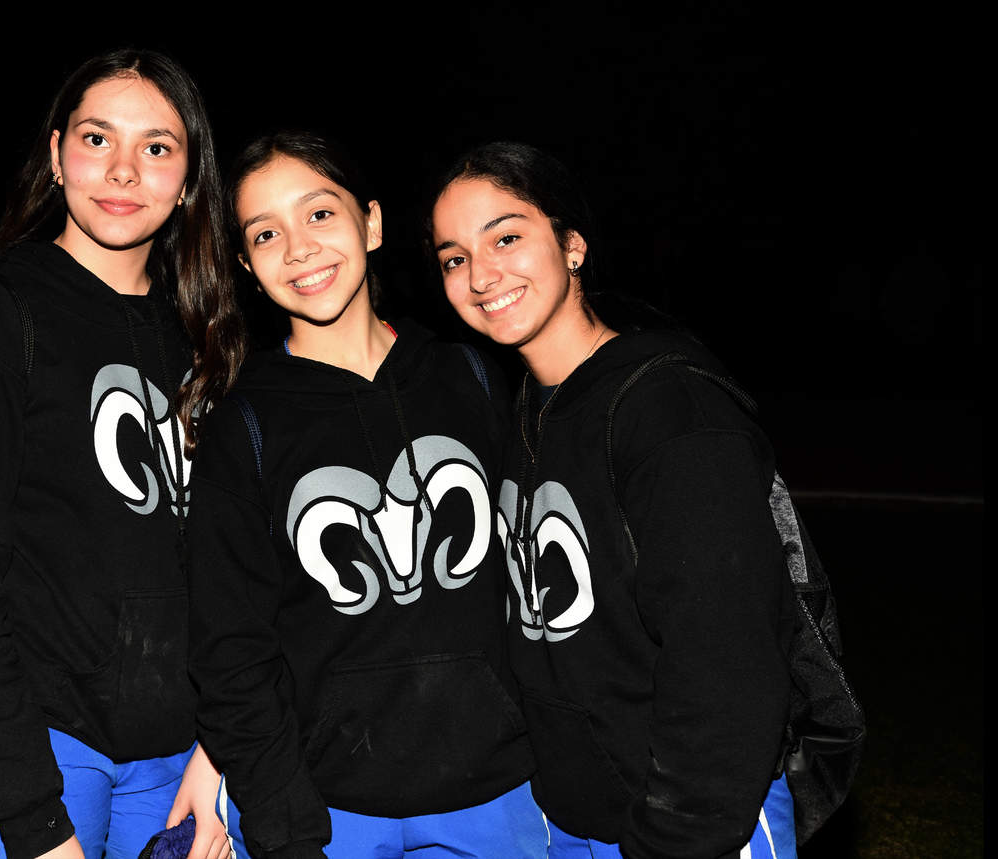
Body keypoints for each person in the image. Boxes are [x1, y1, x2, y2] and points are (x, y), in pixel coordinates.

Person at [0, 48, 240, 859]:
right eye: (96, 138)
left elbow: (235, 575)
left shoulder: (208, 341)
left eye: (157, 146)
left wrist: (219, 748)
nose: (123, 170)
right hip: (21, 746)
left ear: (190, 176)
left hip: (174, 760)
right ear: (56, 155)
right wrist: (33, 819)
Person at [429, 142, 798, 859]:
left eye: (506, 238)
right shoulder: (524, 412)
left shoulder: (670, 411)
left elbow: (728, 659)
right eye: (453, 257)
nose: (480, 275)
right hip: (573, 818)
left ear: (572, 245)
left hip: (691, 824)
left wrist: (675, 833)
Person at [182, 132, 545, 859]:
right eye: (265, 233)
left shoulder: (472, 376)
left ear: (371, 223)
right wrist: (285, 828)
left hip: (498, 794)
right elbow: (231, 651)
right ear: (247, 264)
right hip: (330, 811)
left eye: (320, 213)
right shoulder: (243, 426)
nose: (299, 248)